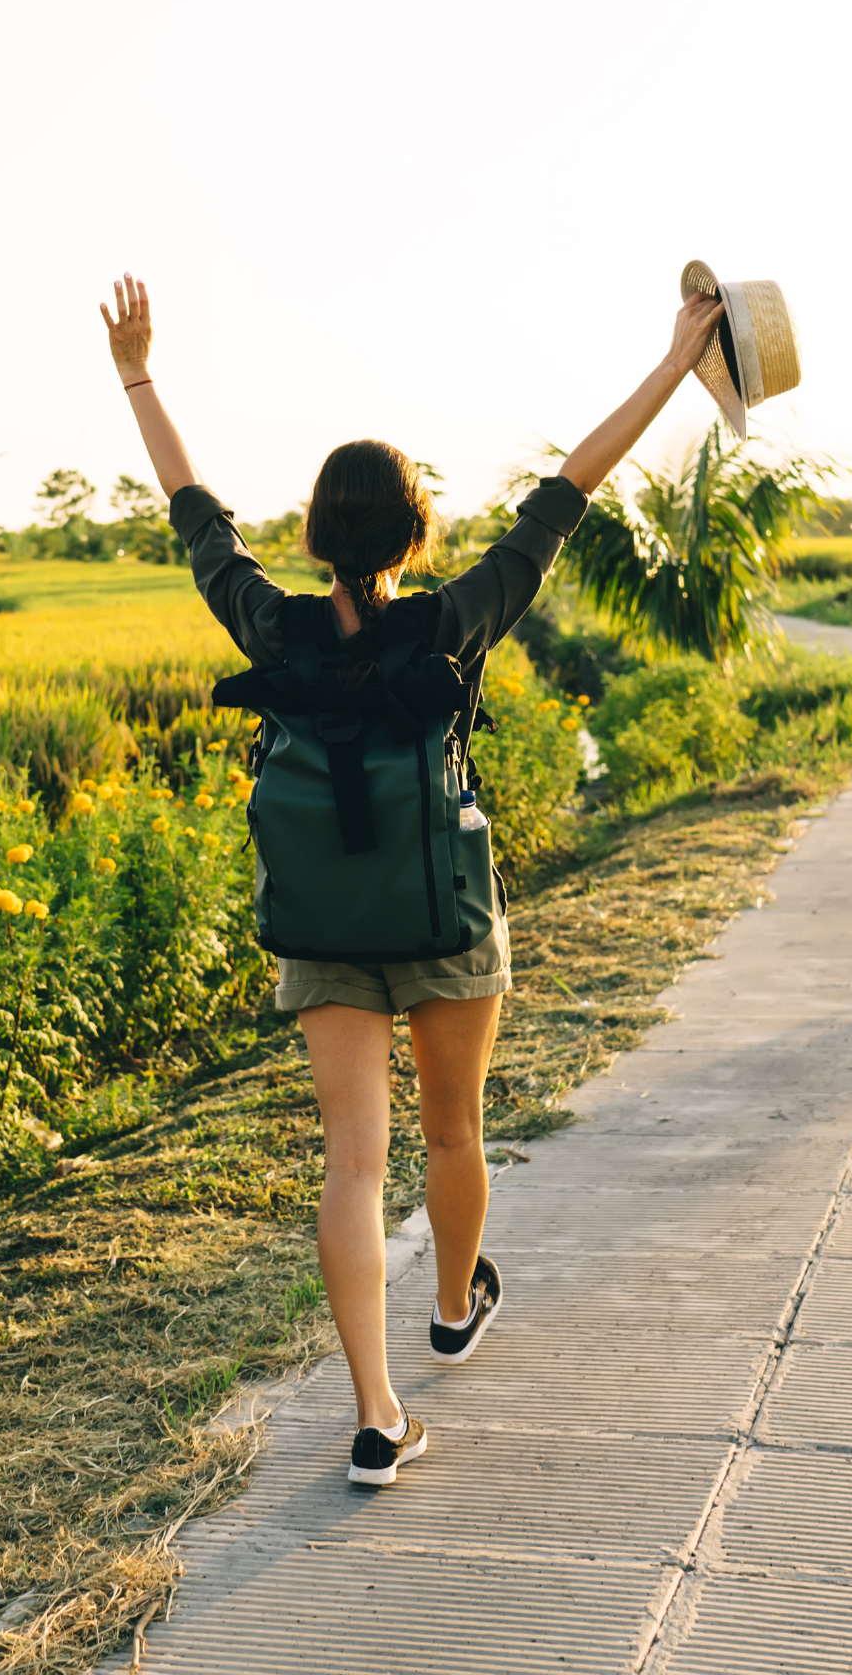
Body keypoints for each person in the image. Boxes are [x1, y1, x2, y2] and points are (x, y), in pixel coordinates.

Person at [100, 275, 726, 1484]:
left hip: (323, 928)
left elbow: (193, 513)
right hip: (445, 921)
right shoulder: (453, 620)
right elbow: (569, 493)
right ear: (413, 536)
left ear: (313, 538)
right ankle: (451, 1306)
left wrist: (137, 372)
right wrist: (672, 364)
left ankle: (377, 1416)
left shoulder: (268, 627)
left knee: (353, 1164)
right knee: (453, 1132)